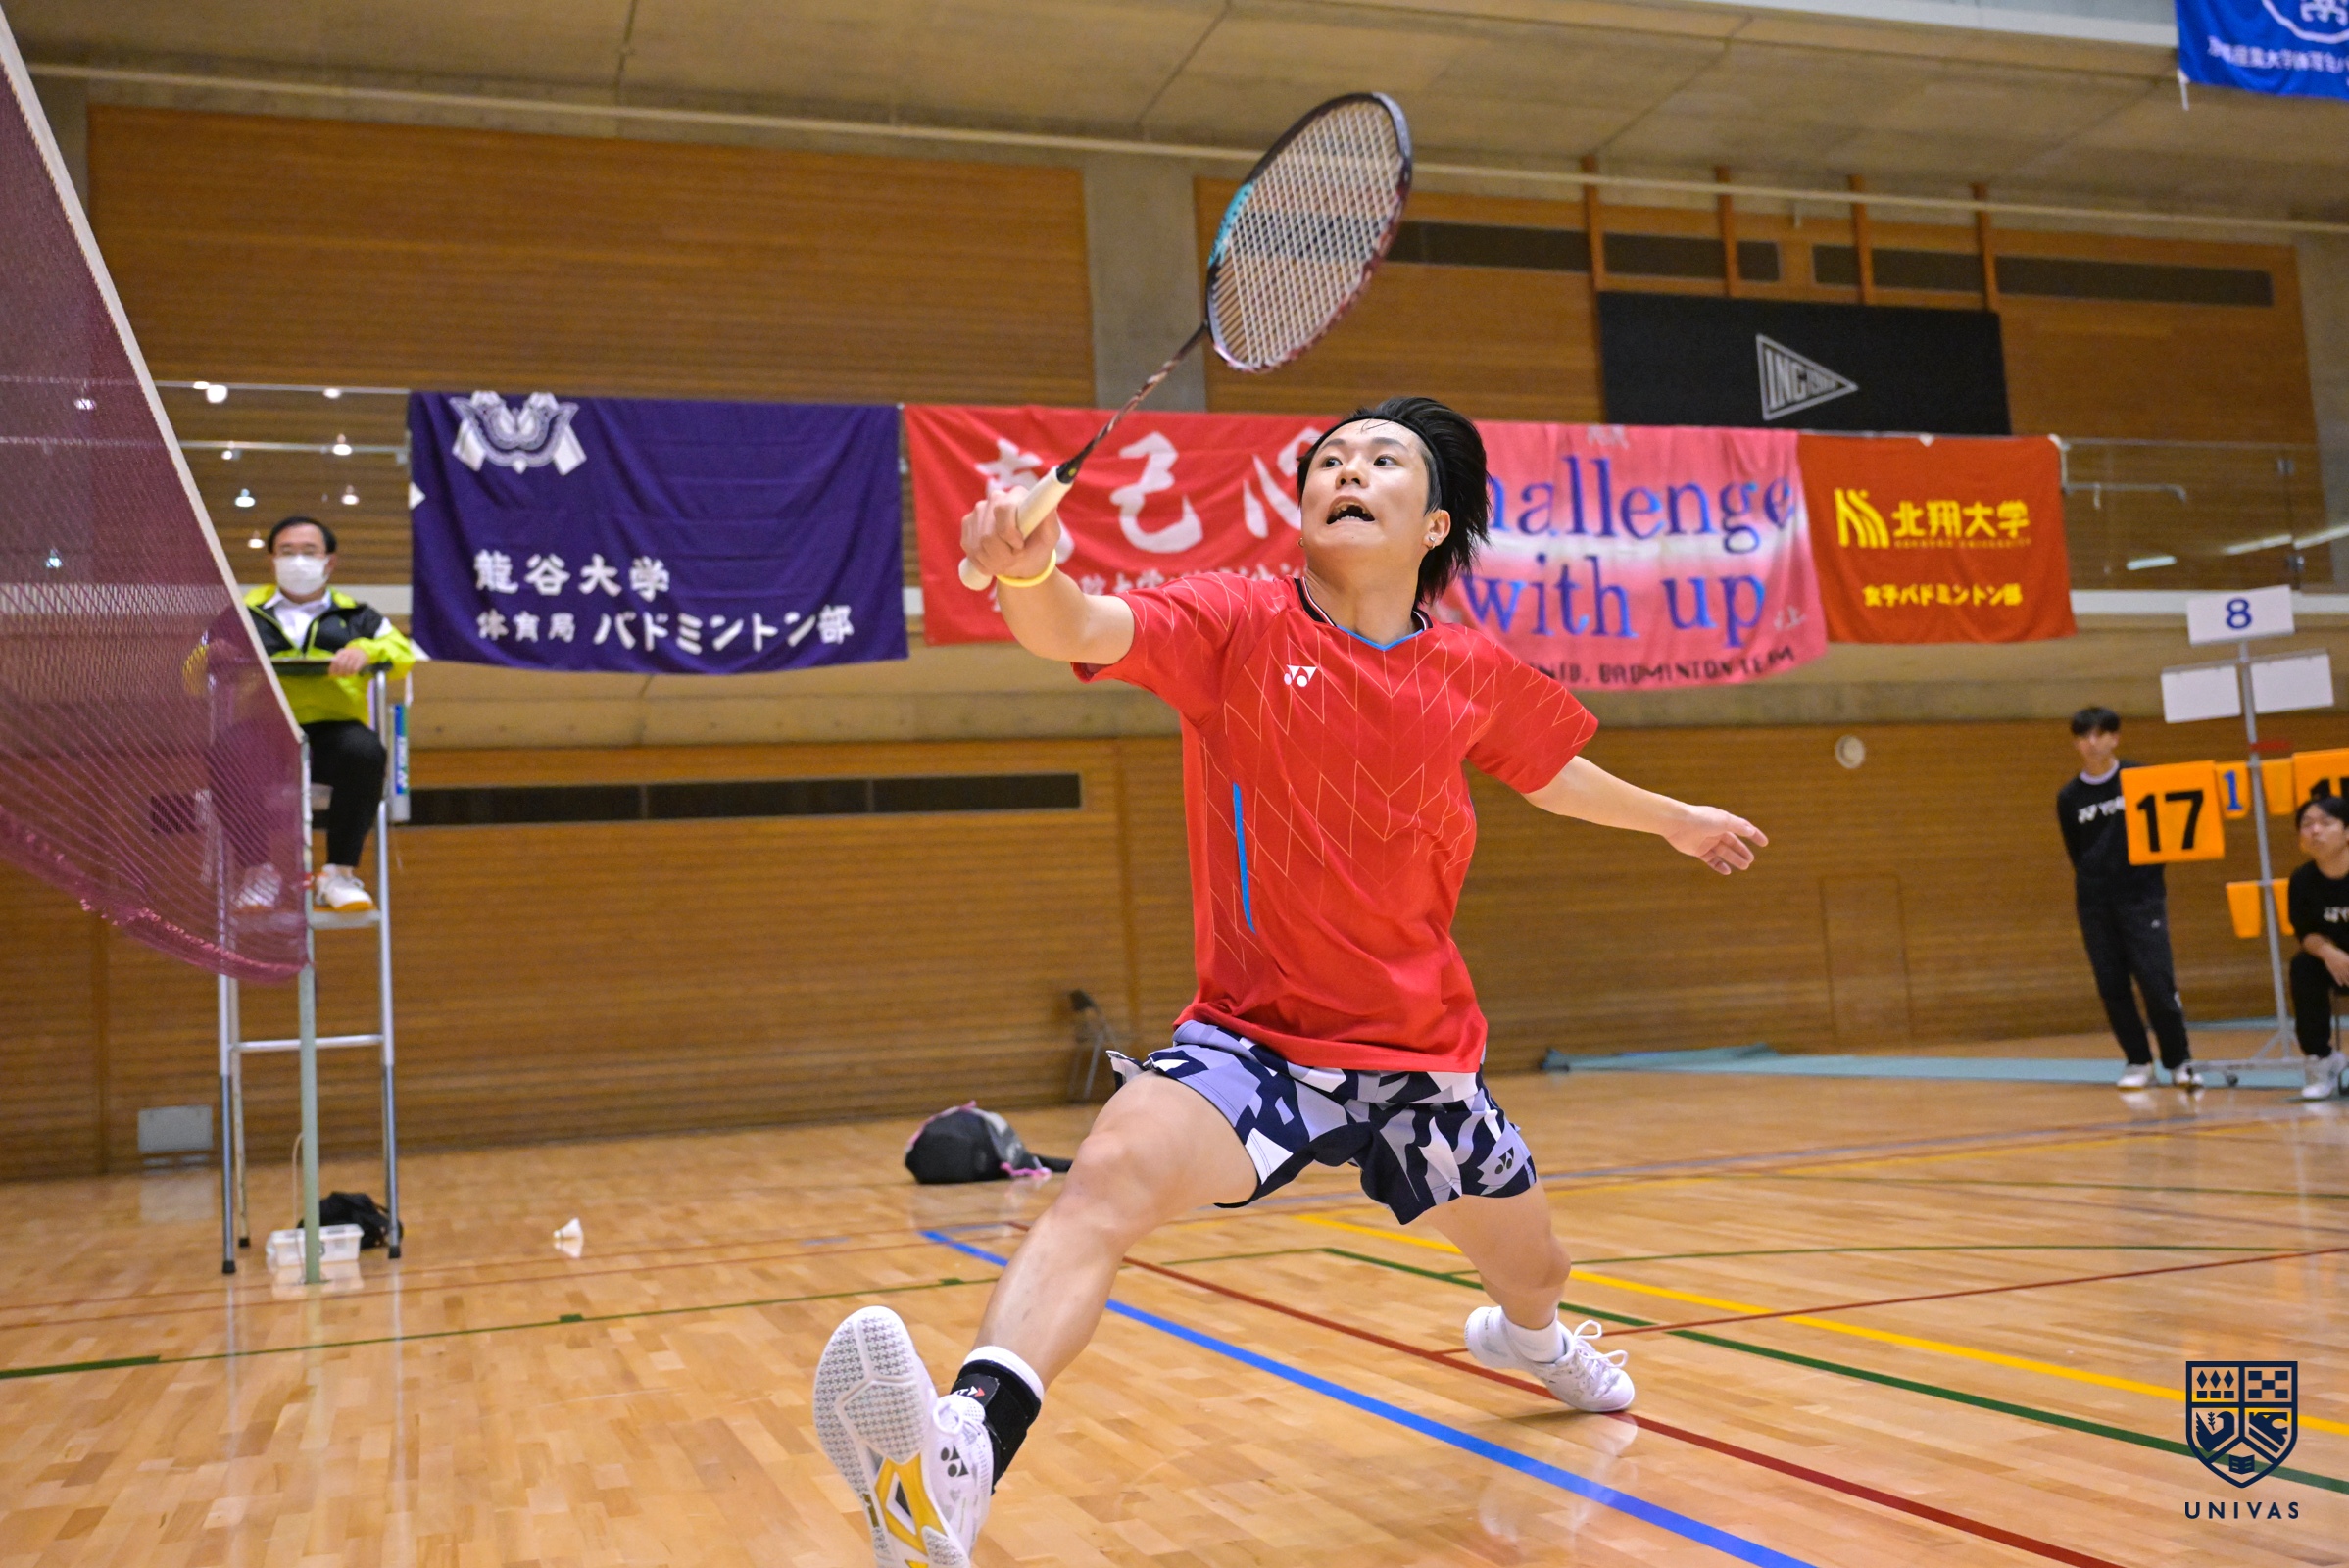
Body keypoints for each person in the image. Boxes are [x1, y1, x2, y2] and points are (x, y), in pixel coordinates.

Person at [810, 398, 1768, 1568]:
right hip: (1254, 1043)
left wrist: (1675, 819)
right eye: (1328, 460)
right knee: (1108, 1173)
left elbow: (1551, 767)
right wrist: (1027, 571)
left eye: (1382, 459)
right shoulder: (1235, 623)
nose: (1347, 470)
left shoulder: (1467, 668)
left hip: (1419, 1060)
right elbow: (1083, 623)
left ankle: (1532, 1340)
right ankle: (959, 1456)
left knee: (1538, 1268)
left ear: (1436, 523)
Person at [246, 516, 419, 912]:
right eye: (287, 551)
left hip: (335, 732)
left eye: (309, 551)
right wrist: (217, 654)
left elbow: (403, 655)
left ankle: (338, 874)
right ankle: (258, 875)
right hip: (267, 729)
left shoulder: (358, 615)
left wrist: (366, 650)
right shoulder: (245, 614)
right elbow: (196, 663)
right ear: (271, 559)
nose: (298, 560)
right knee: (228, 751)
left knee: (366, 753)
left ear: (330, 561)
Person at [2057, 708, 2200, 1089]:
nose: (2092, 742)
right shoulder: (2069, 797)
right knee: (2112, 984)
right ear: (2076, 743)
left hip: (2141, 898)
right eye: (2084, 736)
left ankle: (2179, 1061)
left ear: (2115, 738)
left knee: (2156, 981)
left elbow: (2164, 833)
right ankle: (2138, 1061)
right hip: (2095, 903)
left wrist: (2142, 877)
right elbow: (2076, 851)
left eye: (2100, 734)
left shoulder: (2140, 778)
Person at [2284, 794, 2349, 1101]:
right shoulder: (2302, 880)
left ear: (2347, 831)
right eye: (2307, 824)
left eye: (2326, 822)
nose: (2315, 830)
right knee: (2303, 966)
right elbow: (2306, 932)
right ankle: (2322, 1060)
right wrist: (2329, 953)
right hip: (2334, 963)